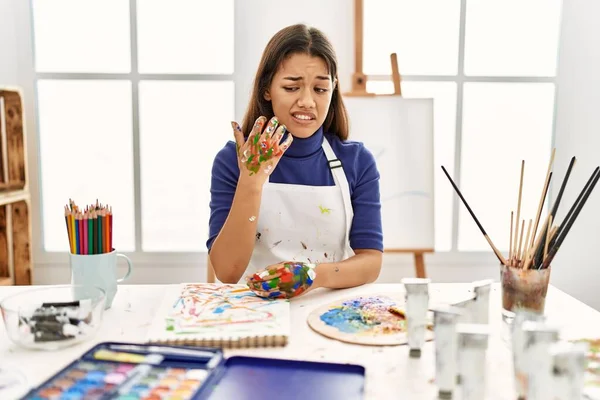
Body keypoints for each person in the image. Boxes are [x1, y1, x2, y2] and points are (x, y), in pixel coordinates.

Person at [207, 24, 383, 299]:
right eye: (291, 87)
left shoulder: (357, 161)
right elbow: (227, 272)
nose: (307, 102)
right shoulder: (232, 160)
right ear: (267, 89)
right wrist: (251, 182)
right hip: (251, 310)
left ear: (333, 90)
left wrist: (312, 275)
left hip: (325, 305)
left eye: (320, 89)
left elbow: (371, 262)